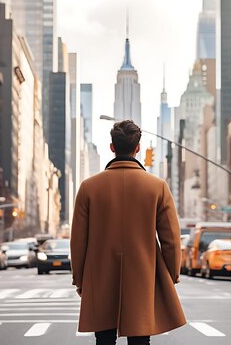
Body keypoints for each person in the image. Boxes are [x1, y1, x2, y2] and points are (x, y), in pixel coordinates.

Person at [70, 120, 186, 345]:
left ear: (112, 147)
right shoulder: (157, 187)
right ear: (138, 148)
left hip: (100, 274)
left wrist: (80, 279)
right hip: (143, 274)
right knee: (140, 340)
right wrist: (171, 274)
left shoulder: (88, 187)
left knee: (103, 339)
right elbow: (171, 238)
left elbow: (78, 241)